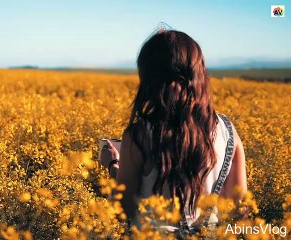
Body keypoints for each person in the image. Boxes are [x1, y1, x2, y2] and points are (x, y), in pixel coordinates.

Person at [100, 29, 247, 234]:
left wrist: (113, 164)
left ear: (148, 77)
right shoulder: (228, 131)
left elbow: (122, 211)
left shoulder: (139, 136)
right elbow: (240, 210)